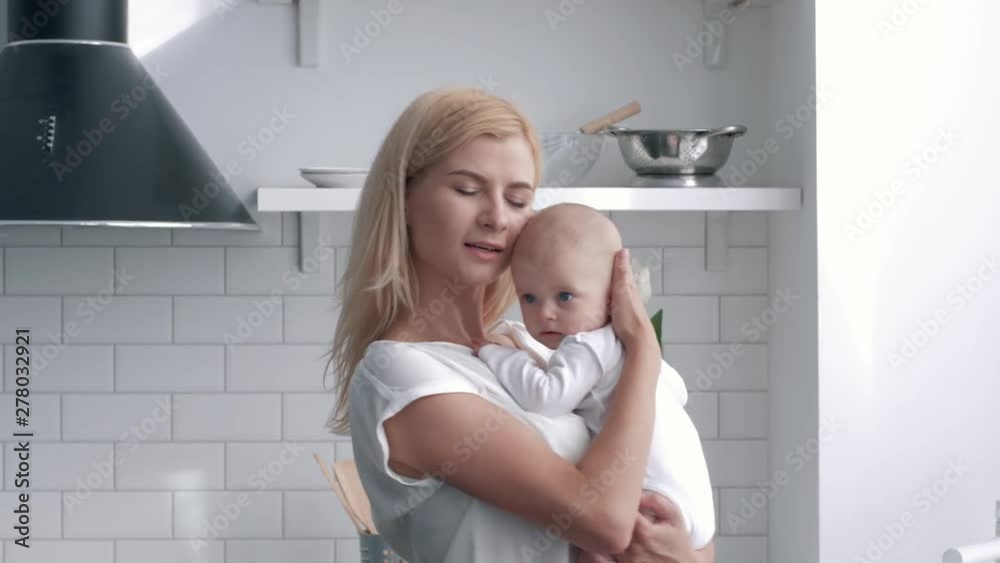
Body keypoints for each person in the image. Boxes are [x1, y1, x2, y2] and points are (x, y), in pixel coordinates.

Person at [323, 85, 717, 563]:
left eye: (517, 199)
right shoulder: (403, 378)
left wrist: (690, 556)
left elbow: (668, 496)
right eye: (468, 190)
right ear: (405, 199)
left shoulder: (525, 343)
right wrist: (644, 353)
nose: (496, 218)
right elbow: (607, 523)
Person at [475, 203, 716, 562]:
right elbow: (677, 390)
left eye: (565, 296)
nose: (545, 312)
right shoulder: (631, 351)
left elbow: (546, 396)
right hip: (692, 511)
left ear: (611, 294)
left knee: (591, 548)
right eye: (529, 297)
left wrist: (493, 354)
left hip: (651, 499)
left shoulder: (586, 345)